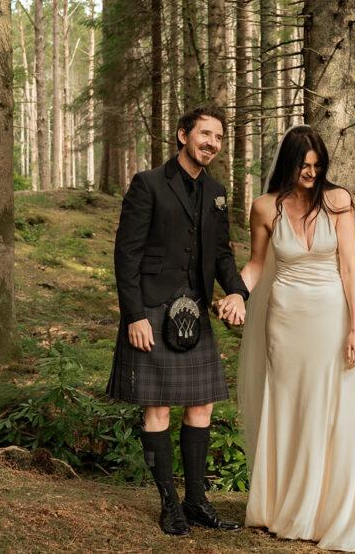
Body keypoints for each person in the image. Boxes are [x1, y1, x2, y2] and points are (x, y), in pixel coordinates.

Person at [237, 125, 355, 550]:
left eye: (317, 166)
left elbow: (350, 267)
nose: (311, 173)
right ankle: (283, 508)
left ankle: (329, 509)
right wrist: (235, 295)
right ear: (288, 164)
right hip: (284, 320)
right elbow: (257, 265)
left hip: (330, 316)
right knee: (289, 406)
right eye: (304, 166)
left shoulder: (338, 202)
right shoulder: (264, 208)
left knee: (332, 408)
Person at [106, 104, 248, 536]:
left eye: (219, 138)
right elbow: (126, 254)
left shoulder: (217, 191)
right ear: (182, 135)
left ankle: (197, 501)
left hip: (195, 310)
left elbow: (221, 254)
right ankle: (169, 504)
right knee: (158, 407)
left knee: (202, 404)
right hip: (151, 309)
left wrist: (238, 290)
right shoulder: (148, 183)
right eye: (206, 134)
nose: (213, 143)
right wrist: (134, 315)